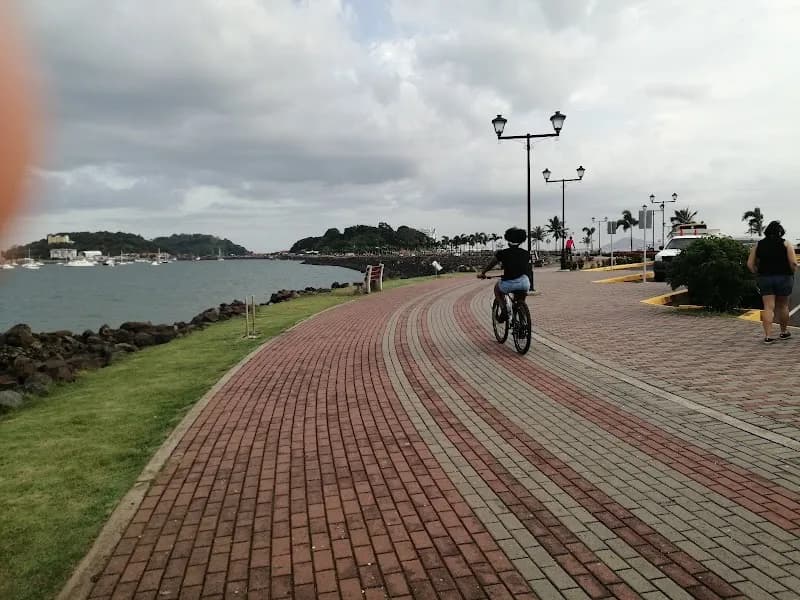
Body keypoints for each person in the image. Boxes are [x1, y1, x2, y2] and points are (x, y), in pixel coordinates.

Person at [747, 220, 797, 344]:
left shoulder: (759, 245)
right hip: (784, 277)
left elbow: (750, 264)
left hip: (765, 278)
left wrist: (757, 273)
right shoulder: (786, 244)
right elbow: (793, 263)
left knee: (768, 307)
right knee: (783, 305)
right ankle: (783, 332)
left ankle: (768, 336)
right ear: (780, 232)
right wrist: (792, 272)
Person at [477, 227, 530, 321]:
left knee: (497, 288)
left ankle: (503, 309)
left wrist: (483, 273)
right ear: (521, 241)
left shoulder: (502, 253)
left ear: (508, 241)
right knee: (520, 299)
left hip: (508, 283)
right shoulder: (526, 253)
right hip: (524, 283)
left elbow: (491, 264)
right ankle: (522, 317)